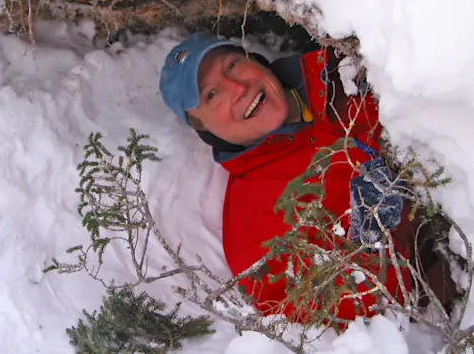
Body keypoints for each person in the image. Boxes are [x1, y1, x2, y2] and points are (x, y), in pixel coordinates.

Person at [159, 32, 454, 327]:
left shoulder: (341, 66)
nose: (238, 87)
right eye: (211, 95)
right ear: (205, 132)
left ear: (255, 60)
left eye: (232, 65)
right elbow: (326, 320)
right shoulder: (254, 230)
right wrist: (373, 247)